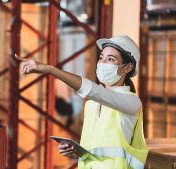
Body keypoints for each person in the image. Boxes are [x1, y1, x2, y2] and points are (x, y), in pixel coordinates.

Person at [16, 35, 148, 169]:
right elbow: (97, 152)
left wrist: (51, 69)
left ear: (127, 67)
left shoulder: (132, 102)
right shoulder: (92, 105)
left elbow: (94, 91)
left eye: (111, 59)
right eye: (101, 57)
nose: (102, 63)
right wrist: (76, 152)